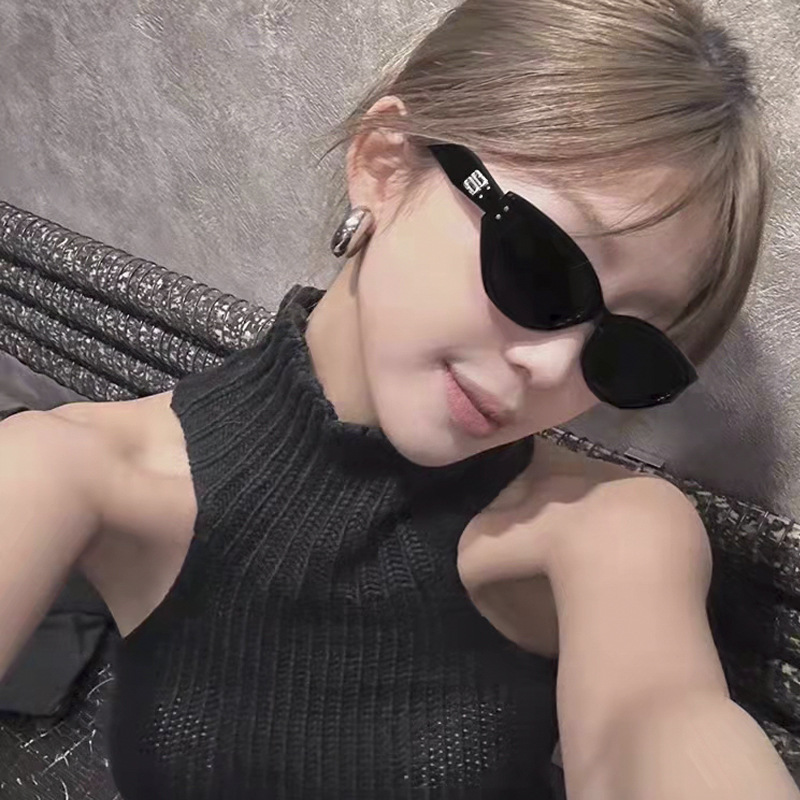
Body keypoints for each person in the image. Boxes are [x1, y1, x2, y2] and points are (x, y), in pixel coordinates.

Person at [0, 0, 796, 798]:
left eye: (627, 353)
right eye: (542, 271)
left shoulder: (610, 531)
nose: (554, 368)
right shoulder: (66, 467)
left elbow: (661, 723)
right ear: (384, 162)